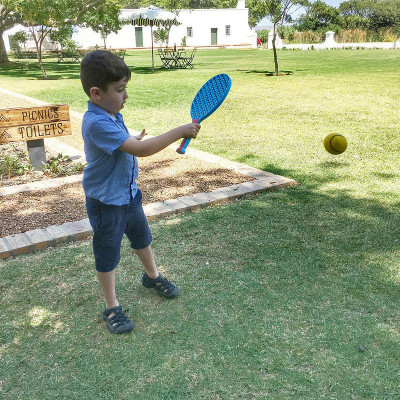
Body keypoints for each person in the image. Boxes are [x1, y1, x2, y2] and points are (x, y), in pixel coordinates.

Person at [80, 50, 200, 334]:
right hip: (107, 202)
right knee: (107, 254)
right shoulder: (97, 121)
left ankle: (152, 277)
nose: (125, 96)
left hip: (128, 195)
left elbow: (124, 144)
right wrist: (180, 131)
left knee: (141, 239)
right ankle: (111, 305)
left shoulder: (111, 114)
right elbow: (143, 151)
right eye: (120, 90)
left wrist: (130, 139)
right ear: (96, 93)